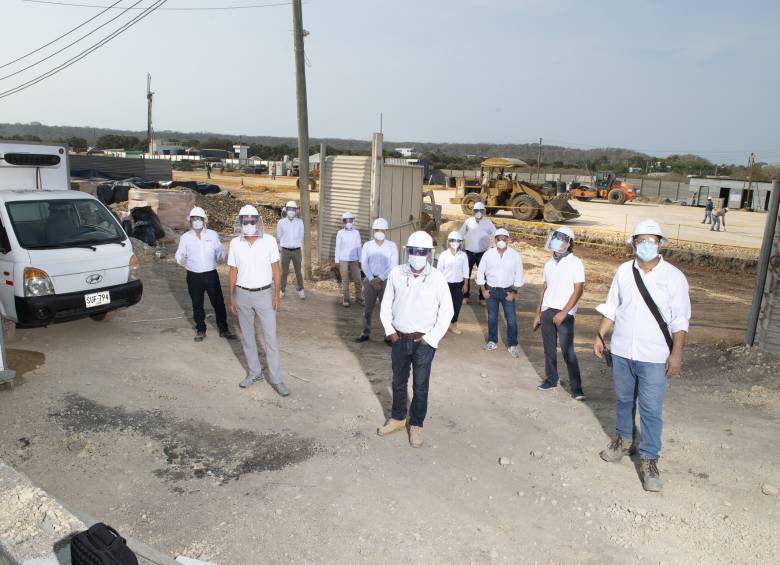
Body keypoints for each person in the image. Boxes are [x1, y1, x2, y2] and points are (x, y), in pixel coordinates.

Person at [593, 219, 691, 492]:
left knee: (650, 410)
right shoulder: (623, 271)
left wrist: (676, 355)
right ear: (633, 243)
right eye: (641, 240)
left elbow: (680, 321)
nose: (647, 245)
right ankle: (624, 441)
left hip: (655, 356)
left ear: (661, 244)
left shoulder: (674, 277)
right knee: (624, 400)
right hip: (623, 351)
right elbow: (613, 307)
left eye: (652, 240)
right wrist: (600, 335)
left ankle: (649, 459)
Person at [377, 231, 454, 448]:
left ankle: (417, 424)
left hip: (424, 343)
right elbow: (385, 306)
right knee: (398, 382)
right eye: (414, 251)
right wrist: (390, 331)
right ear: (408, 252)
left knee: (420, 386)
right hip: (399, 339)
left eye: (423, 252)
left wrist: (432, 338)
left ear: (429, 254)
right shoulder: (396, 273)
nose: (418, 255)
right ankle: (398, 419)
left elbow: (446, 311)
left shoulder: (437, 278)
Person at [228, 205, 289, 397]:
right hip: (242, 294)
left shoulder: (269, 242)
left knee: (270, 339)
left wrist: (277, 294)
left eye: (252, 220)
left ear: (258, 221)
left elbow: (276, 270)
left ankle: (277, 380)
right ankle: (255, 374)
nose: (248, 224)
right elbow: (232, 271)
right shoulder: (235, 243)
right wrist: (231, 296)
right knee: (247, 338)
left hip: (264, 294)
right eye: (244, 221)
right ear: (240, 222)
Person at [532, 226, 585, 399]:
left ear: (569, 243)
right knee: (549, 349)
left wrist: (564, 313)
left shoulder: (575, 263)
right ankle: (551, 379)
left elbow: (578, 289)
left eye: (561, 238)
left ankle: (576, 388)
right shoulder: (548, 264)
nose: (557, 240)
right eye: (555, 237)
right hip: (547, 310)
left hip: (565, 313)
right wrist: (538, 313)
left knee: (568, 351)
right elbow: (545, 288)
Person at [174, 207, 235, 342]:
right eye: (194, 219)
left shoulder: (212, 235)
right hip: (193, 275)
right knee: (197, 303)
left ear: (204, 221)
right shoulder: (185, 238)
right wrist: (181, 259)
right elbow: (179, 254)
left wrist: (221, 254)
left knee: (218, 302)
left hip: (211, 274)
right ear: (190, 221)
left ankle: (223, 329)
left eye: (199, 219)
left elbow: (219, 250)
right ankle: (201, 329)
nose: (196, 221)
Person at [476, 228, 524, 357]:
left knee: (511, 319)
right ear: (495, 240)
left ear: (508, 240)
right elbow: (480, 272)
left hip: (507, 292)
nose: (501, 241)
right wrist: (483, 291)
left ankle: (512, 344)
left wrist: (513, 292)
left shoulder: (514, 255)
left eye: (504, 238)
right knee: (492, 318)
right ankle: (492, 341)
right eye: (499, 238)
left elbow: (519, 274)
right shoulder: (488, 254)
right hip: (491, 291)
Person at [356, 218, 398, 343]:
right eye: (377, 229)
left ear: (386, 231)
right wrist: (371, 279)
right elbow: (364, 263)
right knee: (368, 309)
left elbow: (393, 265)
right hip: (370, 280)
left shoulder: (392, 246)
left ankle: (388, 335)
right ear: (373, 230)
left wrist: (379, 279)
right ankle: (365, 333)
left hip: (385, 281)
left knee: (387, 309)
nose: (379, 232)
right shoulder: (367, 245)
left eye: (382, 230)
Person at [460, 201, 496, 305]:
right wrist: (459, 246)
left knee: (483, 275)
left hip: (482, 254)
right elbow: (461, 234)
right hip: (468, 252)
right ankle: (465, 296)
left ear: (484, 211)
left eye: (481, 210)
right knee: (466, 274)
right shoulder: (468, 222)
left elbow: (495, 234)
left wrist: (494, 248)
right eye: (476, 210)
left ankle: (482, 297)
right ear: (473, 211)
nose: (478, 212)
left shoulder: (488, 223)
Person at [435, 231, 469, 335]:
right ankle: (441, 327)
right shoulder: (444, 255)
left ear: (461, 242)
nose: (455, 242)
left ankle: (453, 325)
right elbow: (439, 271)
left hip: (458, 285)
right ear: (448, 242)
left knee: (456, 305)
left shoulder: (463, 255)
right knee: (443, 306)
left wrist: (466, 284)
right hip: (446, 285)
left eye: (458, 241)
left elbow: (466, 270)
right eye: (452, 240)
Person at [277, 200, 305, 299]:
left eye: (293, 209)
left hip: (297, 251)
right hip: (285, 251)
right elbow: (279, 236)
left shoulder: (300, 222)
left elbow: (301, 236)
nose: (291, 211)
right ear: (286, 209)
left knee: (298, 272)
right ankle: (282, 290)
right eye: (289, 209)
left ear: (296, 210)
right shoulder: (281, 222)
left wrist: (294, 243)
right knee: (284, 272)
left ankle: (300, 290)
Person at [335, 211, 363, 307]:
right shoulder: (340, 233)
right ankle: (346, 299)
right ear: (343, 221)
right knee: (345, 280)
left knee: (358, 279)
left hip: (354, 259)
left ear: (353, 221)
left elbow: (359, 247)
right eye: (346, 220)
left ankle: (359, 298)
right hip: (343, 259)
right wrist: (337, 261)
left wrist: (360, 259)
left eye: (350, 220)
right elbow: (337, 247)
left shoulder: (356, 233)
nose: (348, 222)